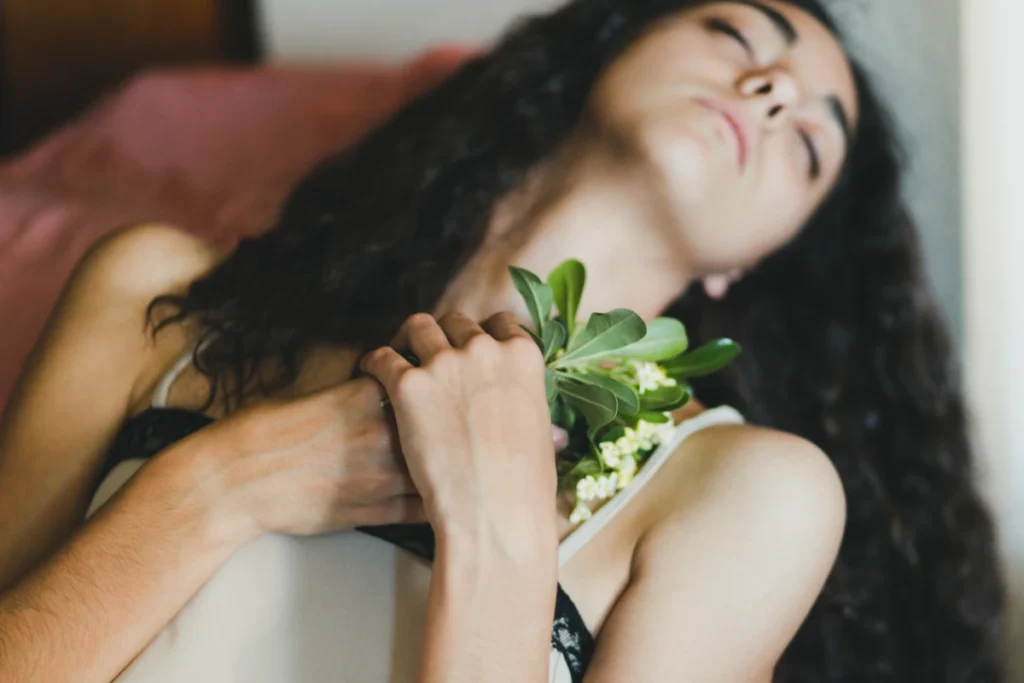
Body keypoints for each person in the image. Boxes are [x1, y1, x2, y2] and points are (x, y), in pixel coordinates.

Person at [0, 0, 1006, 681]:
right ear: (604, 47)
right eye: (740, 36)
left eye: (809, 140)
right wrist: (218, 484)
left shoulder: (748, 492)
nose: (773, 92)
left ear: (740, 271)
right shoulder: (152, 295)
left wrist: (501, 533)